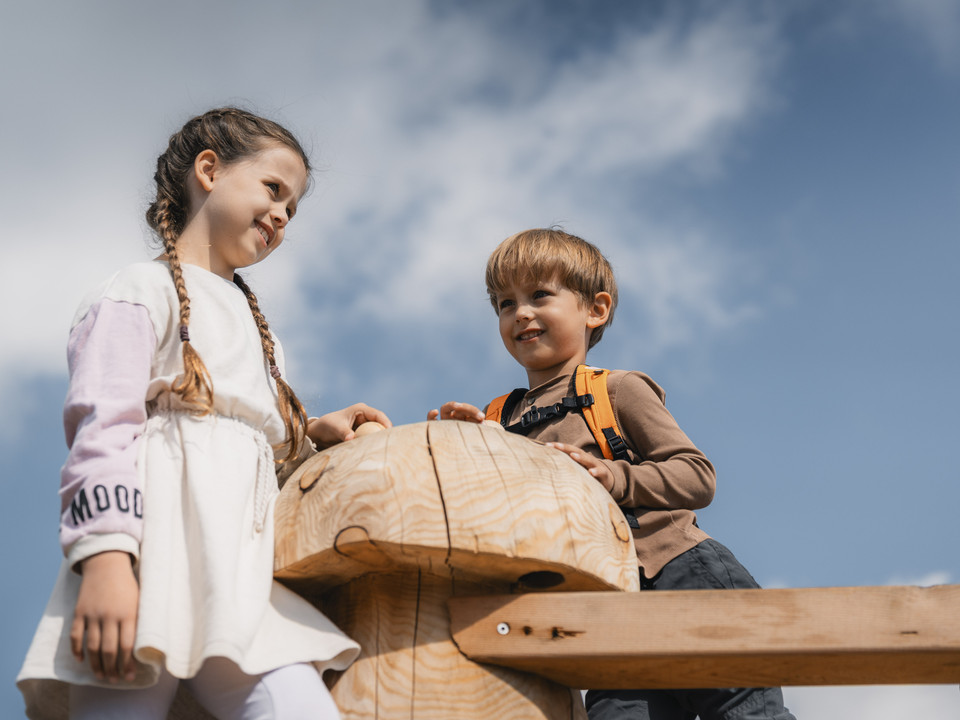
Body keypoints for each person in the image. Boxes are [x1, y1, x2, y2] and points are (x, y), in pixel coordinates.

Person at [17, 107, 392, 720]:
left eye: (293, 209)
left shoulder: (262, 334)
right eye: (273, 188)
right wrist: (107, 563)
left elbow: (248, 450)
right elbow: (102, 431)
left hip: (240, 584)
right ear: (210, 170)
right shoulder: (137, 290)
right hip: (148, 566)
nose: (282, 215)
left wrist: (310, 436)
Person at [428, 228, 795, 720]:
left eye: (539, 295)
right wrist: (458, 449)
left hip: (681, 572)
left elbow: (697, 475)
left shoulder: (617, 390)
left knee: (744, 713)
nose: (521, 313)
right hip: (608, 604)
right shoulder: (497, 420)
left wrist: (614, 477)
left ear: (595, 310)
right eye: (505, 303)